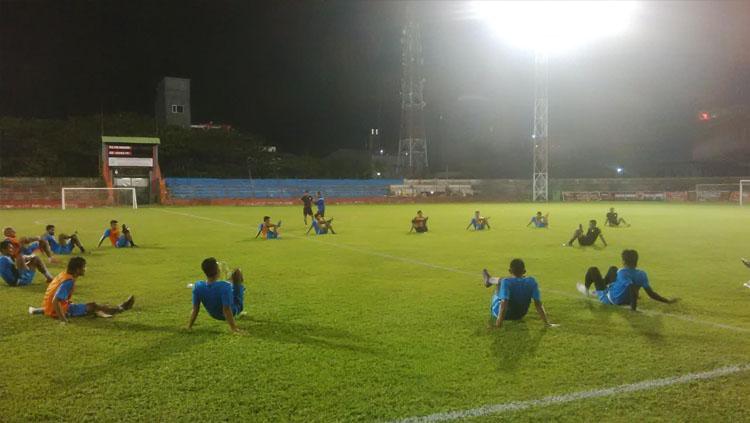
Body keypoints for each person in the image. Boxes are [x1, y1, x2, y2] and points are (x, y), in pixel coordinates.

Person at [576, 249, 677, 311]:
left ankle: (587, 290)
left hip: (610, 299)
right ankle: (604, 286)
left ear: (624, 261)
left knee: (593, 270)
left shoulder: (622, 272)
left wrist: (633, 309)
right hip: (627, 298)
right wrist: (667, 301)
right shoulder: (642, 273)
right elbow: (651, 293)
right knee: (613, 269)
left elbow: (631, 287)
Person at [40, 256, 135, 322]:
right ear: (77, 270)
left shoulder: (64, 274)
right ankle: (121, 308)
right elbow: (55, 301)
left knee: (92, 306)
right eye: (84, 267)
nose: (85, 269)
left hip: (49, 309)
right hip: (56, 311)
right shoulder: (68, 281)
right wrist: (63, 320)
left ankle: (107, 309)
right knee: (93, 306)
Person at [482, 258, 557, 329]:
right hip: (520, 315)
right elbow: (538, 304)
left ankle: (489, 280)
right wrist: (547, 323)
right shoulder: (532, 281)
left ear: (510, 271)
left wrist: (498, 324)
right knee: (503, 281)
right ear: (524, 271)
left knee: (500, 283)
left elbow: (504, 303)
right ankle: (489, 280)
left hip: (504, 315)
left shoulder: (506, 282)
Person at [188, 257, 245, 333]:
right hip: (233, 310)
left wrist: (189, 326)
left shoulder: (197, 286)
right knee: (237, 272)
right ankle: (237, 287)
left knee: (228, 288)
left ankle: (233, 283)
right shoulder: (225, 286)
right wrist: (234, 328)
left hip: (214, 314)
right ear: (218, 270)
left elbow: (195, 309)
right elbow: (226, 309)